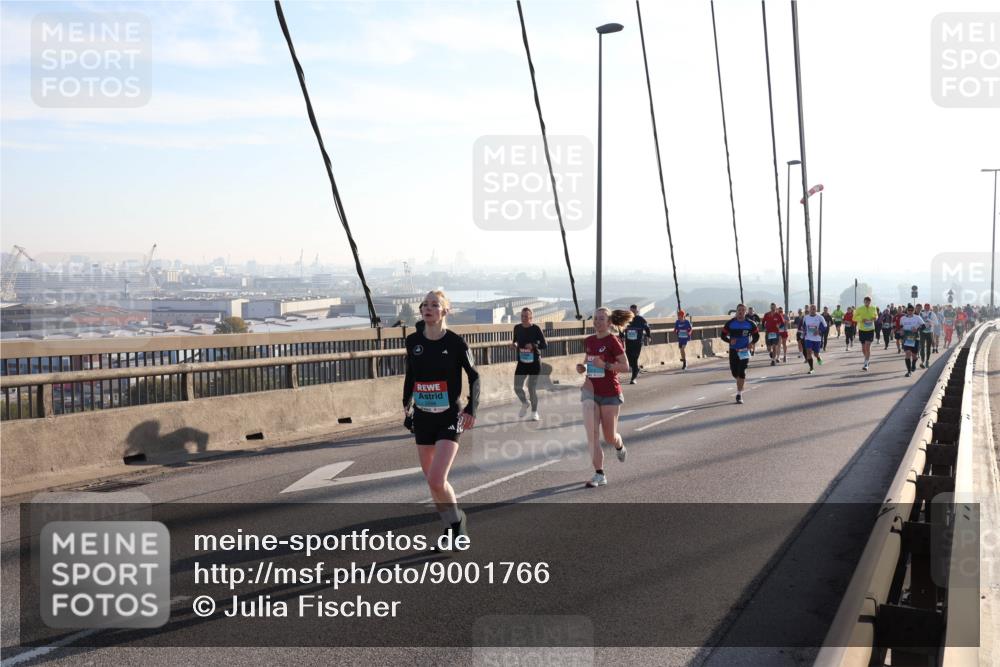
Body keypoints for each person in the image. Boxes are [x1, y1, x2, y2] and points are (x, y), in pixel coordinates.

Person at [403, 291, 480, 541]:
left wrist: (471, 409)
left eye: (434, 305)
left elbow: (474, 376)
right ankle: (449, 527)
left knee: (437, 479)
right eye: (425, 305)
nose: (428, 308)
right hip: (423, 417)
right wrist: (407, 406)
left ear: (445, 310)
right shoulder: (413, 341)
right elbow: (411, 376)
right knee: (432, 482)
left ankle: (457, 523)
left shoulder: (456, 343)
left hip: (449, 416)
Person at [576, 307, 632, 488]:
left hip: (610, 393)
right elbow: (588, 361)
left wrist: (605, 365)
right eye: (596, 318)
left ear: (609, 322)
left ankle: (619, 444)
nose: (597, 322)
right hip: (590, 392)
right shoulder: (589, 340)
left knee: (609, 437)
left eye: (601, 319)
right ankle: (599, 474)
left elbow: (625, 367)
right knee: (592, 435)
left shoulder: (613, 341)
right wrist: (582, 367)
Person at [512, 307, 547, 420]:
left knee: (531, 388)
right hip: (522, 362)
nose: (523, 318)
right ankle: (525, 402)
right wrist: (515, 345)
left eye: (526, 316)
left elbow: (544, 345)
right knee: (517, 387)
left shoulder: (536, 329)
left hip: (534, 362)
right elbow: (516, 340)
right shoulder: (517, 328)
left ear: (531, 317)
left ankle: (534, 412)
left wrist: (533, 345)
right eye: (522, 316)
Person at [720, 304, 760, 404]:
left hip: (744, 351)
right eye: (739, 310)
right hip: (734, 351)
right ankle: (740, 380)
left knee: (741, 372)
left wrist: (751, 343)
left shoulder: (750, 323)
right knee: (735, 373)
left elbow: (756, 336)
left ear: (745, 312)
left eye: (743, 310)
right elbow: (723, 335)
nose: (741, 312)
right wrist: (729, 341)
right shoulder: (730, 323)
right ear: (736, 311)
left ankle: (739, 394)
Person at [621, 304, 651, 384]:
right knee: (628, 358)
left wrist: (649, 336)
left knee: (634, 359)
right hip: (628, 343)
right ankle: (636, 369)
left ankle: (633, 378)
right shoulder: (627, 320)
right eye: (631, 311)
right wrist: (622, 336)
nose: (632, 313)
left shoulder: (640, 319)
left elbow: (647, 328)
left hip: (637, 343)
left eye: (634, 311)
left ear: (637, 311)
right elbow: (621, 328)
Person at [898, 304, 925, 377]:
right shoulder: (903, 318)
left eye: (911, 310)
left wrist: (917, 329)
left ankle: (913, 364)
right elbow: (901, 326)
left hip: (915, 337)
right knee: (908, 353)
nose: (910, 311)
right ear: (906, 310)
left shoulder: (917, 317)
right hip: (907, 337)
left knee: (914, 355)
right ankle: (909, 371)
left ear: (914, 311)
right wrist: (901, 331)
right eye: (909, 310)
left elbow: (923, 326)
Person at [854, 296, 879, 371]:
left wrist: (875, 318)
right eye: (866, 301)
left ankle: (866, 363)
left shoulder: (873, 308)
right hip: (862, 330)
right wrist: (861, 319)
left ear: (870, 302)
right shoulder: (859, 309)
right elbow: (854, 318)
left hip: (870, 329)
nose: (867, 302)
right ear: (864, 301)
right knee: (863, 349)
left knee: (867, 347)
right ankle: (867, 359)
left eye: (868, 301)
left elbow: (876, 315)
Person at [802, 304, 828, 373]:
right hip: (808, 338)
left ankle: (818, 357)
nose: (812, 310)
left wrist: (819, 331)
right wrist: (804, 332)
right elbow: (804, 326)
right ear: (809, 310)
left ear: (816, 310)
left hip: (817, 339)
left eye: (814, 309)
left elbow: (825, 326)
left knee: (816, 354)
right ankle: (811, 368)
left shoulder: (820, 317)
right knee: (808, 352)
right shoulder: (806, 317)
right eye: (811, 309)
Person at [918, 303, 937, 368]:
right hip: (922, 332)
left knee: (928, 348)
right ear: (924, 307)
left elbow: (936, 323)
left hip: (929, 332)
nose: (926, 308)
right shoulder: (921, 314)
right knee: (922, 347)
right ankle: (922, 361)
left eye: (928, 307)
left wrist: (930, 321)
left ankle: (927, 361)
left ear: (929, 307)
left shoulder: (932, 314)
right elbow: (917, 322)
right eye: (925, 307)